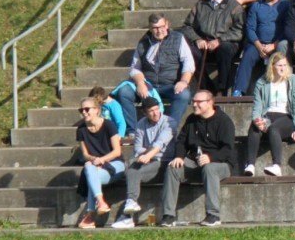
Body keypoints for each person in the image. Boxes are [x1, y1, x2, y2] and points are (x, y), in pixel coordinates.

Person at [160, 91, 236, 228]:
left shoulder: (224, 121)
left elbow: (228, 150)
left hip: (221, 164)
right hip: (195, 161)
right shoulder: (191, 120)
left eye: (198, 102)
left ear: (210, 103)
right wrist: (179, 156)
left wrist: (211, 157)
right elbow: (182, 141)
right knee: (173, 168)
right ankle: (168, 215)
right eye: (193, 101)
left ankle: (213, 215)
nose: (194, 105)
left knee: (210, 168)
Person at [115, 14, 195, 123]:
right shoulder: (143, 42)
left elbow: (188, 62)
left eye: (161, 26)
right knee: (124, 92)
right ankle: (132, 131)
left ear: (167, 25)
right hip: (149, 85)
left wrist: (184, 81)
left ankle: (169, 128)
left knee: (184, 95)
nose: (159, 31)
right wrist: (140, 83)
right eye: (155, 28)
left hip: (170, 85)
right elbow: (135, 68)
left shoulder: (178, 38)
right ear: (150, 28)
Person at [115, 97, 176, 229]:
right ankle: (131, 203)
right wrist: (150, 152)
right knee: (132, 168)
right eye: (151, 111)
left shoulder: (169, 122)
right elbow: (137, 149)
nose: (155, 113)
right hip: (147, 161)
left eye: (156, 109)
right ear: (145, 112)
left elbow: (161, 143)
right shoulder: (141, 123)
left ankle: (127, 215)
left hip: (164, 161)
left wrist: (149, 153)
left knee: (134, 168)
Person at [179, 0, 244, 97]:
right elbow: (187, 26)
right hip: (204, 43)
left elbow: (239, 31)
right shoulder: (200, 4)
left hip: (226, 43)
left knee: (224, 50)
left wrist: (219, 40)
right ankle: (207, 88)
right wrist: (197, 39)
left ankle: (222, 89)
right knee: (189, 53)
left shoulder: (234, 6)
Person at [243, 52, 295, 177]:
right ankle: (250, 164)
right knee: (254, 127)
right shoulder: (262, 81)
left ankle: (277, 165)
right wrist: (257, 120)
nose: (283, 68)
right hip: (267, 115)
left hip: (286, 116)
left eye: (284, 65)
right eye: (279, 65)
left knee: (274, 128)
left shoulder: (293, 80)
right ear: (272, 66)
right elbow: (257, 105)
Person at [231, 0, 290, 97]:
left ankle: (282, 87)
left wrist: (273, 45)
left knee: (281, 54)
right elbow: (250, 28)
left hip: (277, 43)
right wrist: (259, 46)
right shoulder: (256, 5)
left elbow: (287, 29)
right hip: (257, 44)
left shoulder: (286, 5)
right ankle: (239, 90)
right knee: (247, 56)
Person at [74, 98, 125, 229]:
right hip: (96, 167)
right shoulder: (81, 130)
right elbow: (85, 154)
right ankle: (101, 203)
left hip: (115, 164)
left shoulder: (109, 125)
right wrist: (94, 159)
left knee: (90, 171)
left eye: (87, 109)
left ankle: (90, 213)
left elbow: (117, 151)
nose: (84, 112)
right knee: (89, 167)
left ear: (97, 110)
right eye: (81, 110)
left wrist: (102, 160)